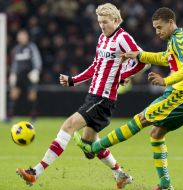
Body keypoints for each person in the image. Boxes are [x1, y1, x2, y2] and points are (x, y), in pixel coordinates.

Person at [16, 3, 147, 189]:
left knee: (69, 125)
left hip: (103, 98)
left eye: (105, 22)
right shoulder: (102, 38)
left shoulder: (123, 38)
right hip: (93, 95)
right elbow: (95, 66)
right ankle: (121, 175)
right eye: (100, 22)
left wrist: (123, 76)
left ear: (116, 20)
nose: (102, 25)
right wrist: (73, 80)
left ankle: (35, 172)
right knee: (90, 145)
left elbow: (141, 60)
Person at [74, 7, 183, 190]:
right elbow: (166, 58)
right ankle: (165, 184)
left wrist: (166, 80)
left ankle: (93, 148)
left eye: (159, 28)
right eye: (155, 28)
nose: (157, 32)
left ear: (170, 22)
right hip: (182, 94)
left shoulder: (180, 39)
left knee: (140, 119)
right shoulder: (175, 39)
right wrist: (140, 55)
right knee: (156, 135)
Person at [7, 29, 42, 122]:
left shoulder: (31, 47)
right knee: (13, 94)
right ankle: (9, 116)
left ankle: (33, 117)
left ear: (27, 37)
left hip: (30, 75)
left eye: (24, 36)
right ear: (18, 38)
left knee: (32, 95)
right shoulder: (16, 49)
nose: (22, 38)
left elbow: (37, 60)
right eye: (20, 36)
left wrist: (36, 71)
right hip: (19, 75)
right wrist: (13, 74)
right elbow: (15, 63)